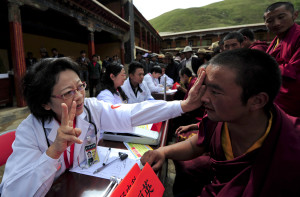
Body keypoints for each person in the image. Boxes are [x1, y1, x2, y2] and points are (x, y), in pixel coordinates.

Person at [0, 57, 205, 196]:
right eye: (68, 92)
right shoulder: (30, 131)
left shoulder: (90, 108)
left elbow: (132, 113)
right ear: (44, 102)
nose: (79, 96)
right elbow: (12, 191)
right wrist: (54, 152)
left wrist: (182, 106)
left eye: (80, 86)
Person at [141, 49, 300, 196]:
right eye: (206, 88)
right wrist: (163, 152)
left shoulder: (291, 145)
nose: (203, 98)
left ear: (257, 101)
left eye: (215, 92)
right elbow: (197, 144)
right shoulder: (220, 119)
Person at [264, 2, 300, 117]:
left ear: (295, 15)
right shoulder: (276, 41)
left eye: (281, 17)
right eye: (270, 21)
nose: (276, 23)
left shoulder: (298, 36)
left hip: (291, 99)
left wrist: (261, 68)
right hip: (273, 93)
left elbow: (295, 72)